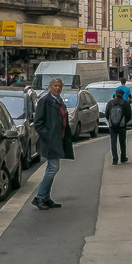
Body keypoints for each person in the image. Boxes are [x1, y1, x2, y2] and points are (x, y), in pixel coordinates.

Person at [32, 77, 74, 209]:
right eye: (55, 86)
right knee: (53, 168)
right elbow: (38, 123)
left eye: (59, 86)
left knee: (52, 168)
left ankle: (46, 197)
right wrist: (48, 136)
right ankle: (39, 197)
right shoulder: (45, 101)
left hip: (58, 140)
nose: (57, 88)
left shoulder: (60, 101)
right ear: (50, 87)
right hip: (50, 141)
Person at [105, 87, 130, 166]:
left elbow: (107, 114)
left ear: (115, 95)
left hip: (112, 126)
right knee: (122, 142)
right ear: (122, 95)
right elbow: (129, 115)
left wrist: (111, 121)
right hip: (122, 126)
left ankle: (115, 160)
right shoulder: (125, 103)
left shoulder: (110, 103)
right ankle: (123, 157)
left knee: (113, 142)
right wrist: (124, 122)